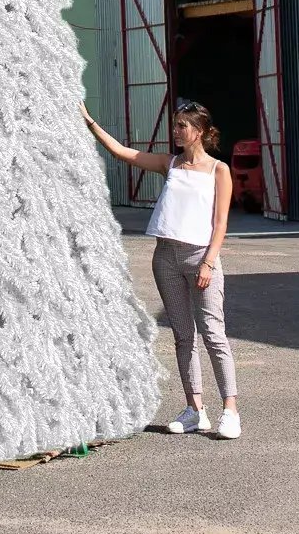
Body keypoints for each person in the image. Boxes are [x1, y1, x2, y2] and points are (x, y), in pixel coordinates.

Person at [82, 99, 241, 439]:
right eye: (175, 125)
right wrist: (90, 122)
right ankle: (195, 410)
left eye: (182, 126)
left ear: (199, 131)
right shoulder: (169, 164)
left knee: (213, 334)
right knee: (183, 336)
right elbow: (123, 153)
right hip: (165, 257)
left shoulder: (218, 170)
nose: (176, 131)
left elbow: (221, 224)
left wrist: (208, 262)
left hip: (200, 257)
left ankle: (230, 411)